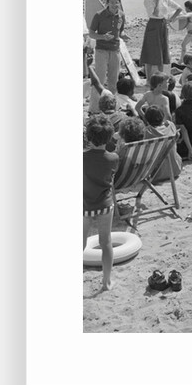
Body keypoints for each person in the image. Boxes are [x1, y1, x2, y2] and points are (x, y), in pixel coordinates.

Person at [83, 114, 120, 292]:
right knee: (106, 242)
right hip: (105, 204)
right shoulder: (113, 158)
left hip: (84, 205)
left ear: (88, 137)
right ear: (110, 137)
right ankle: (106, 282)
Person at [88, 0, 126, 111]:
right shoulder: (99, 15)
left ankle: (111, 107)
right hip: (101, 51)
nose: (115, 5)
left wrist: (123, 35)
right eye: (112, 2)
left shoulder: (121, 15)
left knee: (113, 81)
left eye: (117, 2)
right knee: (99, 80)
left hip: (115, 50)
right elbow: (91, 33)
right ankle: (94, 108)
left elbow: (120, 31)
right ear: (107, 3)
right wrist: (103, 37)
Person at [139, 0, 182, 82]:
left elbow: (179, 8)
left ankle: (161, 78)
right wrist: (157, 0)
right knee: (150, 52)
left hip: (163, 25)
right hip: (153, 25)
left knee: (162, 52)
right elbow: (155, 13)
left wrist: (171, 19)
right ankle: (149, 79)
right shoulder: (148, 0)